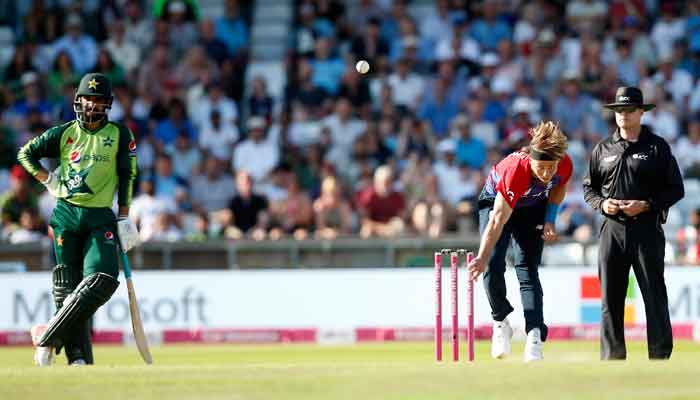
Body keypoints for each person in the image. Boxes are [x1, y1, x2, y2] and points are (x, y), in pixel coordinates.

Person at [17, 73, 139, 366]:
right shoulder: (64, 133)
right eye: (87, 99)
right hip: (66, 214)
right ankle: (78, 358)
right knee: (66, 288)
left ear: (107, 105)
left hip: (99, 216)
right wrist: (47, 179)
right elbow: (26, 154)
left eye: (98, 101)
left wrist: (124, 217)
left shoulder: (120, 134)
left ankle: (46, 333)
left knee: (104, 279)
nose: (92, 106)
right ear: (77, 101)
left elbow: (128, 175)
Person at [583, 86, 685, 360]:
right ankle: (612, 356)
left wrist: (647, 204)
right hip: (611, 230)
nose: (623, 115)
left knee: (654, 294)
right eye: (619, 110)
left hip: (646, 228)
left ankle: (660, 355)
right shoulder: (602, 148)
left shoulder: (657, 146)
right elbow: (588, 189)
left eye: (629, 110)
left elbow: (676, 189)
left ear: (641, 112)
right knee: (610, 298)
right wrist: (603, 204)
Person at [468, 121, 572, 362]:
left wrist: (550, 220)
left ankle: (534, 335)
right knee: (493, 264)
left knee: (527, 269)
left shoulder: (564, 165)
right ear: (531, 159)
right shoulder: (516, 170)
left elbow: (559, 188)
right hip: (496, 202)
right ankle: (500, 321)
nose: (547, 174)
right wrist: (481, 257)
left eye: (551, 168)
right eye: (541, 167)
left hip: (533, 206)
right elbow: (497, 221)